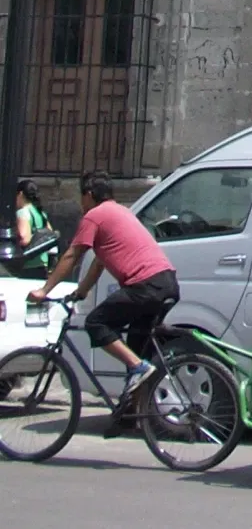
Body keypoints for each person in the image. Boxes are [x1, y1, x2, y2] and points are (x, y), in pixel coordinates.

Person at [27, 171, 179, 424]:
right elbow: (98, 263)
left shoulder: (95, 216)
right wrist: (82, 291)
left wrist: (44, 291)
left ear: (88, 195)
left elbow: (72, 255)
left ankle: (139, 370)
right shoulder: (121, 212)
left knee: (96, 323)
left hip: (145, 285)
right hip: (166, 282)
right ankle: (134, 413)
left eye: (81, 196)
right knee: (135, 347)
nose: (80, 202)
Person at [14, 179, 51, 249]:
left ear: (20, 194)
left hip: (29, 258)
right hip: (43, 256)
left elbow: (24, 238)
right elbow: (50, 232)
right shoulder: (40, 213)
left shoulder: (22, 213)